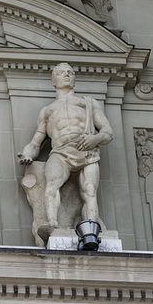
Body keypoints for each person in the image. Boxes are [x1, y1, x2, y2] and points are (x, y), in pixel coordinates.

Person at [18, 62, 113, 233]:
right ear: (53, 80)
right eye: (62, 73)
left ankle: (91, 229)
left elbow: (107, 132)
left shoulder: (88, 103)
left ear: (74, 79)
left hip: (87, 151)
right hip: (60, 152)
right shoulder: (47, 111)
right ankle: (52, 224)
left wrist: (95, 139)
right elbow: (35, 143)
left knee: (89, 190)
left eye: (70, 72)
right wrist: (27, 154)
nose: (67, 75)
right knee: (51, 186)